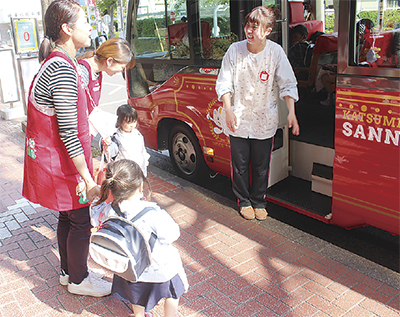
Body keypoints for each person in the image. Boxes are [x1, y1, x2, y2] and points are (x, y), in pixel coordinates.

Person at [22, 0, 111, 297]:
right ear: (67, 29)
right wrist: (87, 178)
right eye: (85, 22)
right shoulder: (62, 68)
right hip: (65, 164)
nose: (90, 28)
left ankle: (67, 272)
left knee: (67, 216)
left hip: (58, 163)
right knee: (81, 221)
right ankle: (79, 279)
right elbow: (69, 132)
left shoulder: (55, 62)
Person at [215, 6, 300, 221]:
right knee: (240, 165)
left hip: (264, 120)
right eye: (247, 27)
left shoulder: (275, 52)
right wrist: (228, 110)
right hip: (238, 119)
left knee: (262, 165)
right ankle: (243, 201)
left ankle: (259, 200)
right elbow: (224, 82)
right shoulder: (235, 50)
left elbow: (288, 83)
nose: (249, 32)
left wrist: (291, 112)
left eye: (255, 28)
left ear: (268, 30)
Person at [94, 159, 189, 317]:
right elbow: (172, 234)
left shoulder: (110, 210)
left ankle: (140, 315)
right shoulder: (152, 213)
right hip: (160, 268)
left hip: (131, 268)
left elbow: (96, 219)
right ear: (140, 187)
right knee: (173, 293)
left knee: (136, 295)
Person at [77, 37, 134, 114]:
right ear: (109, 61)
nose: (121, 71)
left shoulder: (97, 72)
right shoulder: (82, 72)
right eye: (122, 67)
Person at [105, 104, 150, 177]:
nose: (132, 125)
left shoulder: (137, 134)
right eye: (128, 122)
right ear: (119, 121)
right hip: (125, 172)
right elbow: (112, 152)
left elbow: (142, 149)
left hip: (139, 168)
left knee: (139, 186)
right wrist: (107, 147)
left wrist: (145, 159)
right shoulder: (117, 137)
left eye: (134, 121)